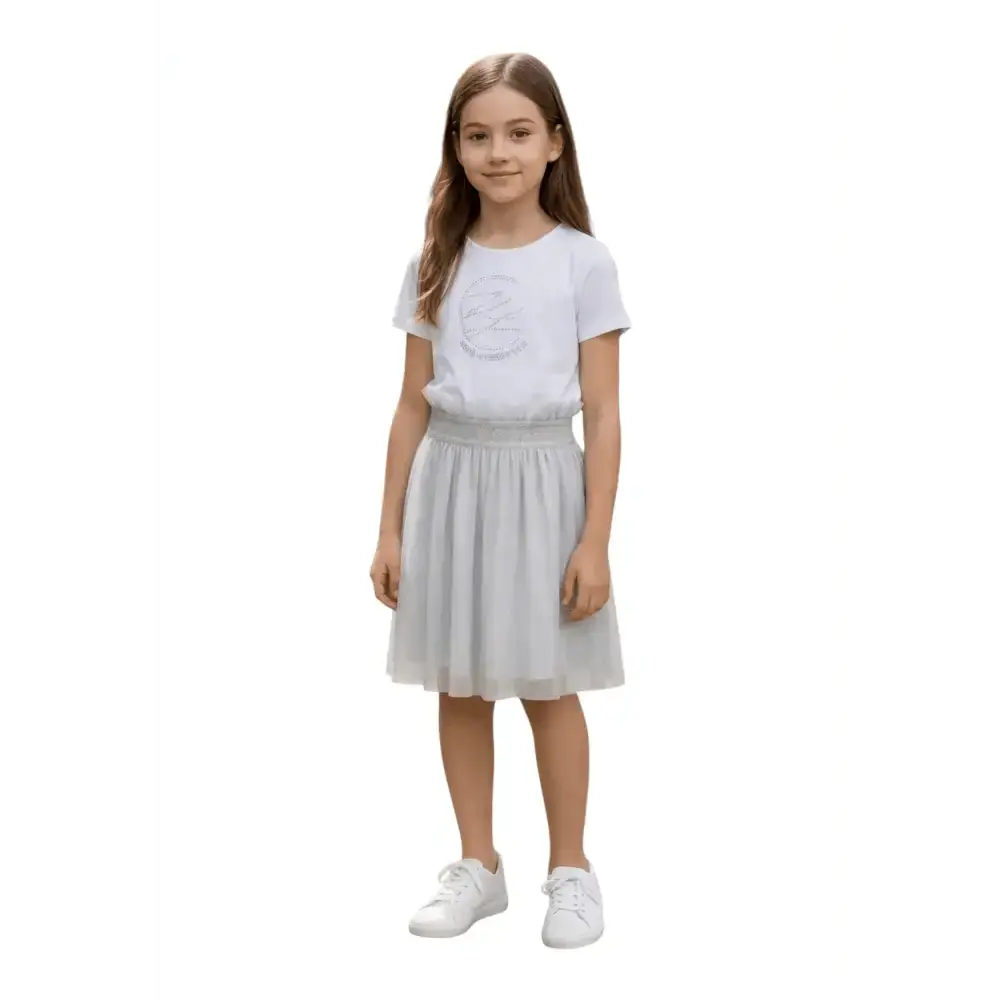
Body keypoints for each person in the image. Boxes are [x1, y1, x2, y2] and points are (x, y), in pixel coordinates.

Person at [370, 52, 631, 950]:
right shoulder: (435, 262)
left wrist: (595, 540)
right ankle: (478, 864)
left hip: (543, 484)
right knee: (461, 680)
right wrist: (389, 526)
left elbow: (605, 412)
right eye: (478, 135)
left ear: (555, 142)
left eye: (519, 133)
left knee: (548, 684)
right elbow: (411, 405)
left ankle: (572, 869)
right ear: (456, 147)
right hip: (451, 482)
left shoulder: (584, 262)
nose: (499, 152)